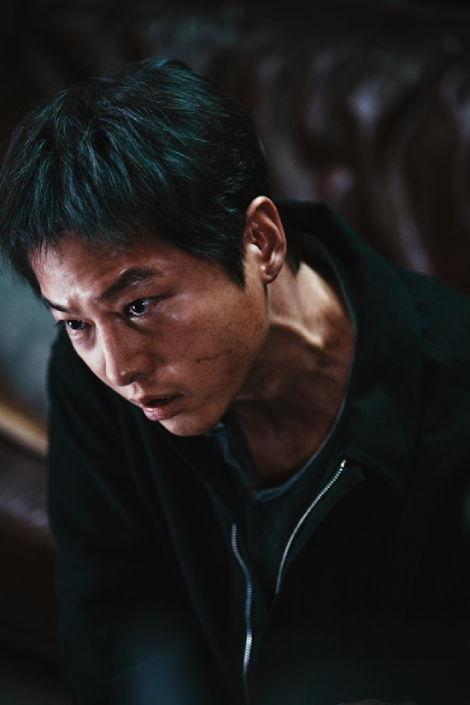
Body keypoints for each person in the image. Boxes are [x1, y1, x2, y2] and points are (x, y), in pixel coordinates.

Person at [0, 57, 469, 705]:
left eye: (141, 305)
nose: (119, 368)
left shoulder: (452, 405)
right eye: (76, 323)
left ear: (262, 241)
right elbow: (108, 632)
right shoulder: (94, 379)